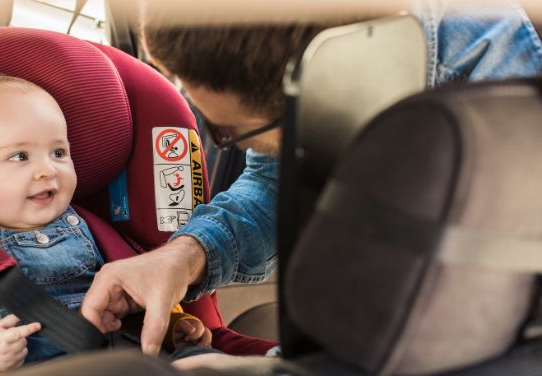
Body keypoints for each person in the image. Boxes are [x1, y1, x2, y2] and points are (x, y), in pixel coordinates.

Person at [80, 1, 542, 355]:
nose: (229, 144)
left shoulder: (512, 109)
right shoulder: (320, 57)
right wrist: (184, 255)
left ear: (326, 83)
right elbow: (272, 183)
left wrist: (274, 373)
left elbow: (477, 323)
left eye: (230, 130)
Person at [0, 74, 212, 375]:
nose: (47, 170)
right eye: (20, 156)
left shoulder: (95, 227)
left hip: (129, 363)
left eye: (58, 153)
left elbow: (139, 283)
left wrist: (173, 325)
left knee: (209, 368)